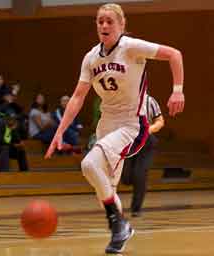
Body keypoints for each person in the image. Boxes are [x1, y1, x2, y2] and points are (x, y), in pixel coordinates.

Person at [45, 3, 184, 254]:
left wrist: (177, 91)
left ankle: (117, 225)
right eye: (100, 21)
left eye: (110, 21)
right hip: (106, 125)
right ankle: (122, 228)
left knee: (89, 165)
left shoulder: (131, 47)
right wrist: (59, 130)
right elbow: (78, 97)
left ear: (121, 25)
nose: (104, 26)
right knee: (105, 190)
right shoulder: (91, 58)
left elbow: (174, 54)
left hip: (132, 124)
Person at [121, 94, 164, 217]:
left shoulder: (150, 101)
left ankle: (136, 208)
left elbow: (160, 121)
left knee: (139, 174)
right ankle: (137, 182)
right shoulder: (124, 100)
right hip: (129, 140)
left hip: (146, 141)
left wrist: (149, 129)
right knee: (126, 177)